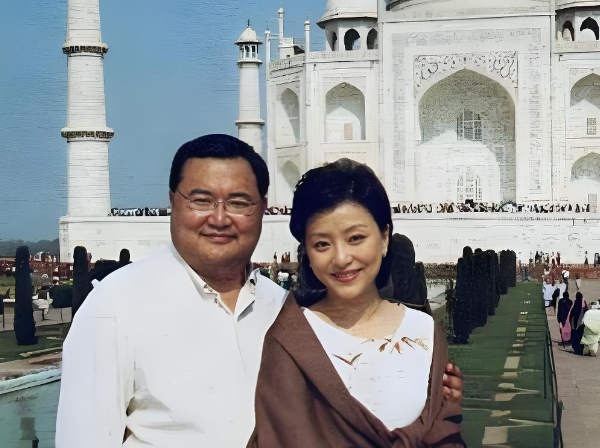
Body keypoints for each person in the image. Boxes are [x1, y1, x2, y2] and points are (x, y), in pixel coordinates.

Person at [56, 135, 466, 447]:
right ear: (172, 201)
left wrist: (429, 394)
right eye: (201, 200)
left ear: (263, 209)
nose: (220, 218)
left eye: (238, 202)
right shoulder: (116, 305)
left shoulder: (282, 308)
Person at [248, 159, 464, 447]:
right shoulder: (291, 341)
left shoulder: (423, 330)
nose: (341, 258)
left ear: (384, 238)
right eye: (322, 244)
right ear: (307, 252)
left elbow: (443, 431)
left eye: (355, 238)